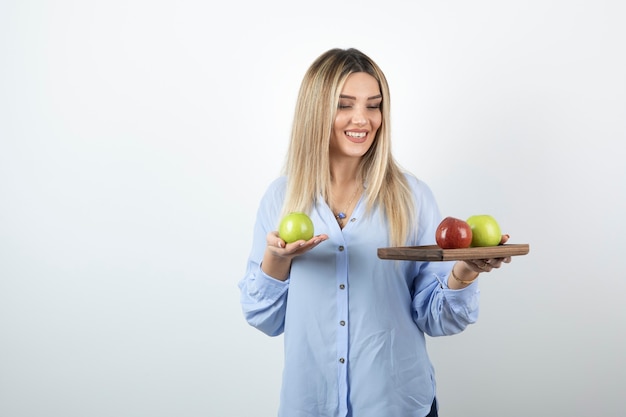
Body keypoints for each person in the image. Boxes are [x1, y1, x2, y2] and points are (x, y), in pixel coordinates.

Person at [238, 48, 511, 417]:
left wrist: (466, 270)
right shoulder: (281, 200)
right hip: (311, 405)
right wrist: (277, 259)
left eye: (373, 105)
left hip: (397, 406)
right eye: (344, 104)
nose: (362, 119)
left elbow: (435, 318)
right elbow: (264, 318)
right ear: (315, 111)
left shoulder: (412, 197)